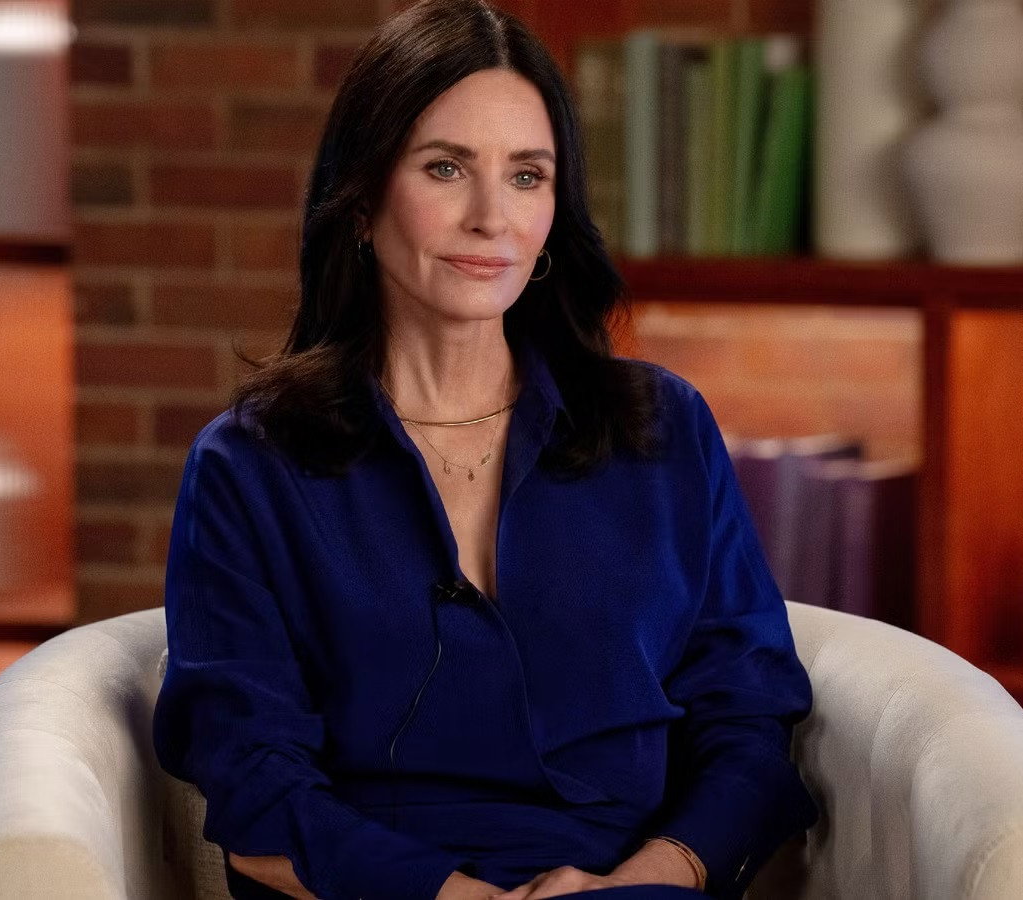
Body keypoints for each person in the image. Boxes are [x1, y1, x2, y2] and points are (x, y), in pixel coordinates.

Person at [150, 2, 820, 898]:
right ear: (360, 201)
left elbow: (748, 718)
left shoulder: (662, 428)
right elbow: (257, 794)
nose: (491, 217)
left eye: (527, 176)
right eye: (445, 168)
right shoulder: (250, 465)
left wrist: (659, 875)